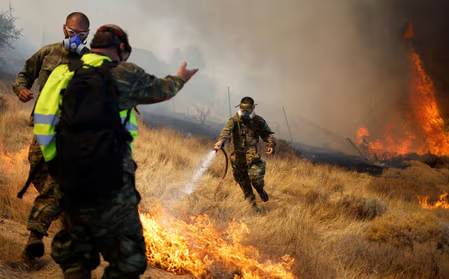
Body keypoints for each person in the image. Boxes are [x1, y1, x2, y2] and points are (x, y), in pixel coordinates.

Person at [33, 24, 198, 279]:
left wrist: (57, 163)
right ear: (121, 48)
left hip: (72, 176)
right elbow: (161, 90)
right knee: (128, 259)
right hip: (113, 179)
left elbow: (43, 121)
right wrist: (181, 78)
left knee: (76, 256)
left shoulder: (64, 70)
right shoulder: (124, 72)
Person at [12, 12, 91, 260]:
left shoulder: (91, 63)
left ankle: (35, 237)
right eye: (72, 32)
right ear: (64, 29)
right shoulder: (48, 53)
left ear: (87, 35)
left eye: (81, 35)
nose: (75, 38)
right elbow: (25, 73)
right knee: (37, 171)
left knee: (57, 182)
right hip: (43, 128)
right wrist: (21, 89)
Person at [215, 97, 276, 206]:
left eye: (247, 109)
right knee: (244, 184)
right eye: (242, 109)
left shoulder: (258, 121)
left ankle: (260, 189)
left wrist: (270, 144)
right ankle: (252, 207)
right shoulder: (234, 120)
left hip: (252, 156)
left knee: (256, 179)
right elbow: (226, 131)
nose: (245, 111)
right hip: (237, 158)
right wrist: (220, 141)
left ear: (253, 108)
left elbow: (267, 134)